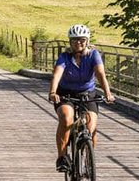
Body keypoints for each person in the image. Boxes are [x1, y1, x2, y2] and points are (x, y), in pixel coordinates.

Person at [49, 24, 114, 172]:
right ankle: (62, 157)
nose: (78, 43)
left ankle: (88, 157)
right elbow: (57, 74)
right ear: (70, 42)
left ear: (87, 41)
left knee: (91, 127)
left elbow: (100, 74)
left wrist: (108, 93)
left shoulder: (93, 55)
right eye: (74, 40)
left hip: (87, 94)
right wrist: (53, 92)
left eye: (82, 40)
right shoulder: (64, 57)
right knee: (66, 118)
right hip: (65, 94)